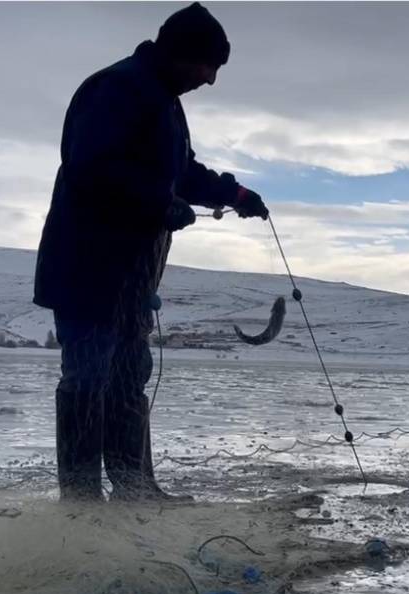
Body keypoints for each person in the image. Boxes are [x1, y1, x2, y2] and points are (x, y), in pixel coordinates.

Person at [32, 2, 269, 501]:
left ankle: (136, 487)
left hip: (132, 279)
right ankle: (80, 501)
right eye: (208, 67)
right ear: (180, 53)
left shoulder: (163, 101)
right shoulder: (116, 88)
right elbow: (89, 168)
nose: (210, 80)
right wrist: (159, 204)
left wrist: (235, 194)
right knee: (87, 380)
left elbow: (180, 170)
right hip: (88, 269)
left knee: (127, 379)